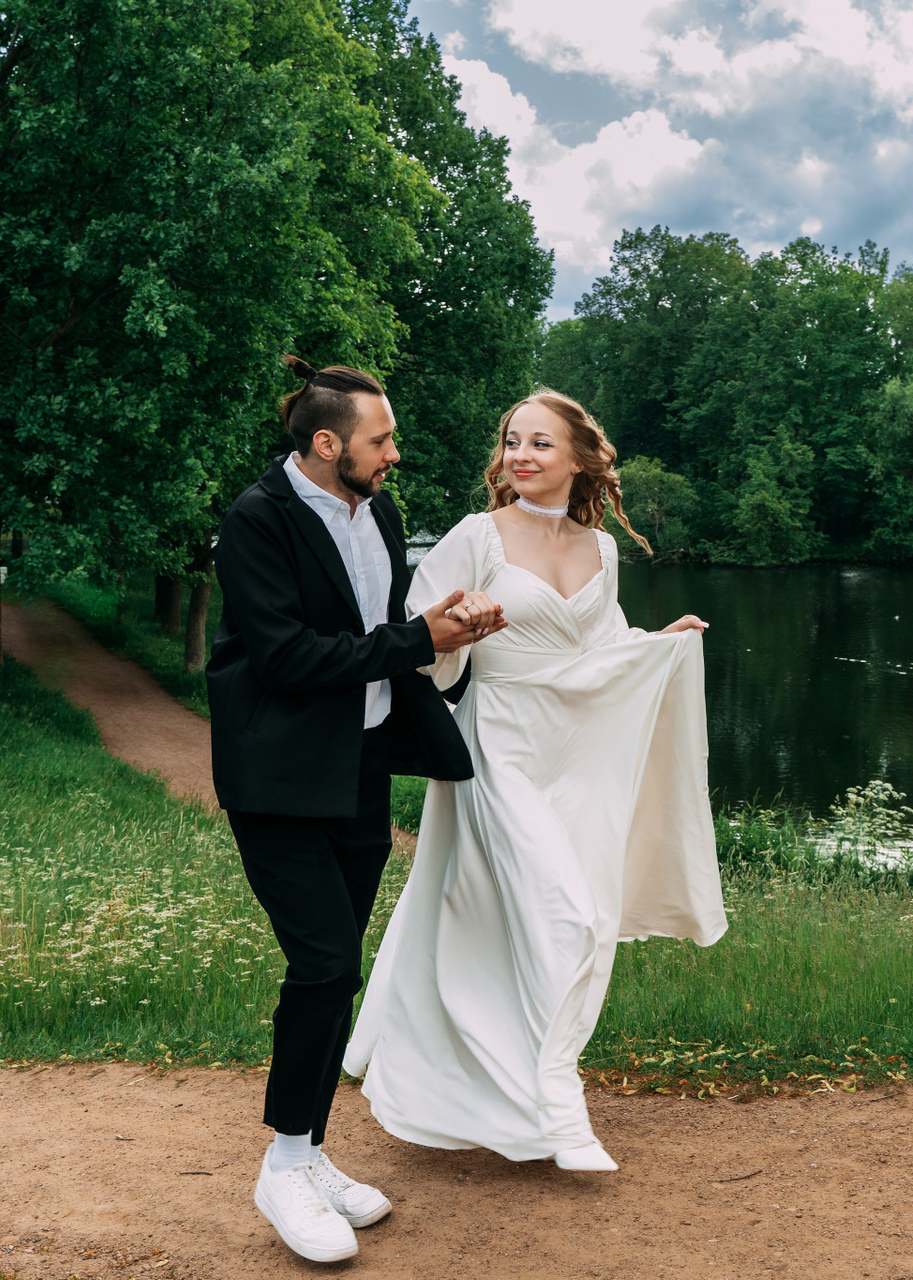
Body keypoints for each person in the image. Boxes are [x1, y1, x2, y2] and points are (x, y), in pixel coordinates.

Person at [343, 390, 726, 1172]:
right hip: (500, 745)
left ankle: (510, 1085)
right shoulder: (476, 536)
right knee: (564, 914)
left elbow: (602, 650)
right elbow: (419, 642)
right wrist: (457, 630)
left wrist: (659, 644)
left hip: (576, 755)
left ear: (580, 459)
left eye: (540, 443)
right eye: (513, 441)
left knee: (567, 916)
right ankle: (557, 1103)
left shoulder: (602, 550)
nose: (520, 455)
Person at [207, 356, 505, 1263]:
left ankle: (307, 1152)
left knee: (339, 971)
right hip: (278, 778)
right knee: (325, 963)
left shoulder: (379, 512)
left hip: (359, 770)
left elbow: (378, 631)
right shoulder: (256, 520)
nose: (395, 454)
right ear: (328, 443)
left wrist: (445, 627)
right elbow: (288, 657)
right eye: (382, 440)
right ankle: (282, 1168)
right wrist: (415, 639)